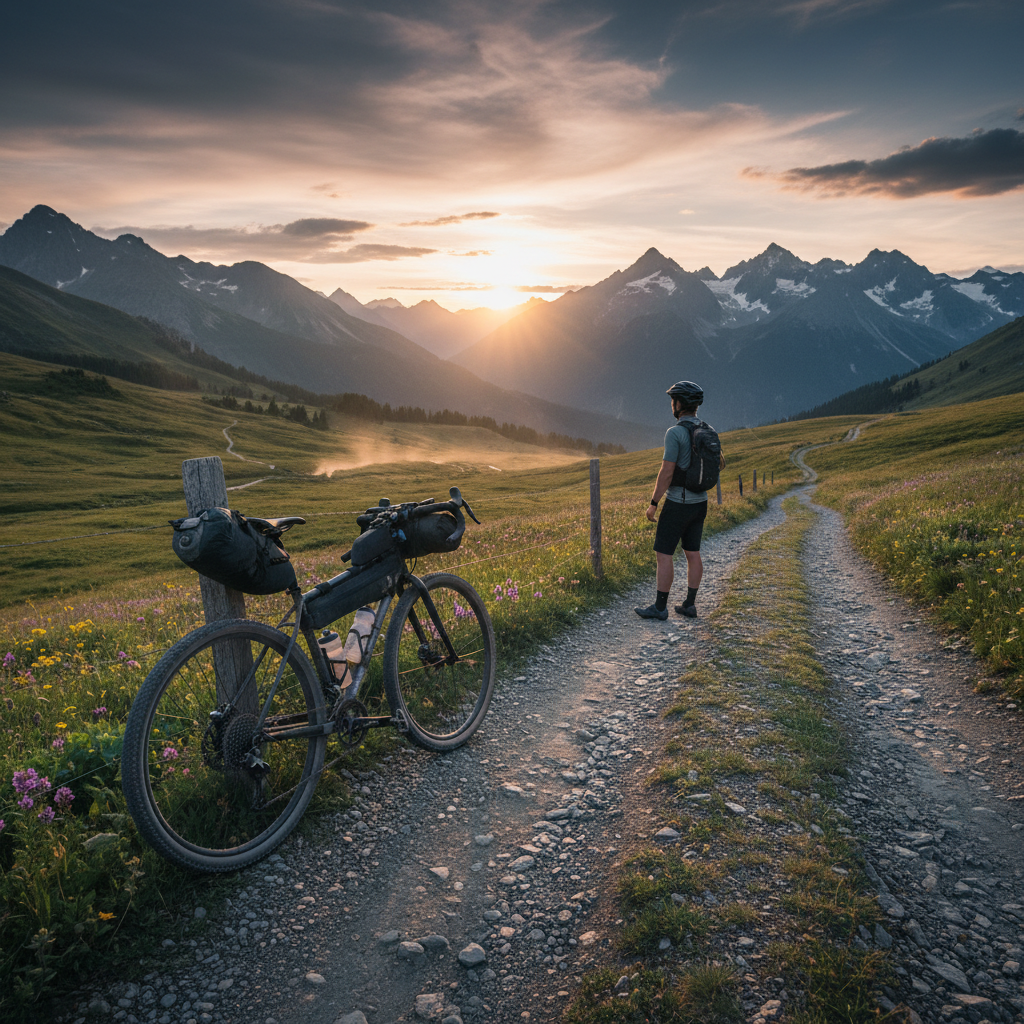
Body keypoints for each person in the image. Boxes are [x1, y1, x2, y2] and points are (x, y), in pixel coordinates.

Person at [635, 380, 714, 621]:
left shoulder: (675, 433)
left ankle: (660, 607)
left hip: (678, 503)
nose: (672, 404)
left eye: (674, 400)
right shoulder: (708, 430)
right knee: (693, 552)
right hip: (701, 503)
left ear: (679, 404)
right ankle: (689, 605)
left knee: (664, 553)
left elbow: (667, 472)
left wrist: (654, 502)